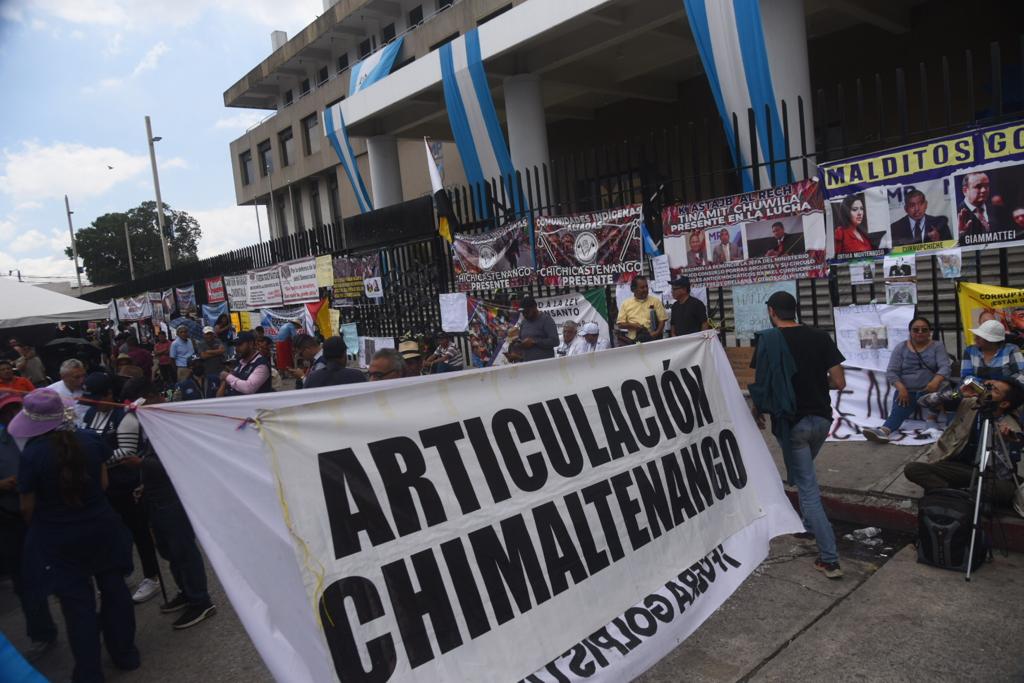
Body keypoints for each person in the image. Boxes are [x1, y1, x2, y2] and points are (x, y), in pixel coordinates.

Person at [11, 388, 140, 682]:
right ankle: (125, 654)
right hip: (102, 526)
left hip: (59, 538)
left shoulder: (32, 454)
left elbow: (27, 507)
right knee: (115, 590)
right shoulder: (91, 441)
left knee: (77, 605)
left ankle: (89, 672)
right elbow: (104, 483)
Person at [750, 290, 846, 579]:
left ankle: (829, 558)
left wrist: (757, 411)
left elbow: (763, 382)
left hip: (793, 425)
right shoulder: (821, 337)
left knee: (807, 486)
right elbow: (839, 381)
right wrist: (816, 382)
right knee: (803, 473)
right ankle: (807, 525)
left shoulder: (768, 340)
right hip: (821, 421)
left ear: (772, 312)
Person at [126, 378, 217, 629]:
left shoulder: (170, 421)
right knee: (168, 549)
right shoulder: (148, 421)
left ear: (151, 397)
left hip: (173, 497)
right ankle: (186, 591)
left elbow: (175, 461)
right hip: (155, 495)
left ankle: (201, 600)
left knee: (183, 549)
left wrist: (140, 465)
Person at [79, 373, 163, 605]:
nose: (92, 402)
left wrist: (96, 461)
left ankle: (151, 576)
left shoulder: (125, 417)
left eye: (96, 397)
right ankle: (120, 573)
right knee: (113, 532)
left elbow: (127, 451)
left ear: (108, 394)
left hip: (125, 485)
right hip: (102, 485)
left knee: (139, 532)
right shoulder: (90, 414)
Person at [0, 392, 57, 661]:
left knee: (66, 571)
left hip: (48, 512)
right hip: (11, 519)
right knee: (25, 580)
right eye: (5, 411)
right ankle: (42, 631)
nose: (10, 415)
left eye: (14, 408)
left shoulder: (36, 434)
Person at [907, 377, 1023, 506]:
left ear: (1004, 404)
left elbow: (1004, 472)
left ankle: (951, 493)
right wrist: (958, 393)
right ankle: (962, 495)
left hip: (988, 475)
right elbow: (924, 401)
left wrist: (1005, 442)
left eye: (994, 390)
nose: (986, 390)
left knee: (1004, 490)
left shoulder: (1010, 426)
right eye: (987, 385)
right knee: (913, 469)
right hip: (959, 467)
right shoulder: (970, 403)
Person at [863, 317, 951, 443]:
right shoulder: (901, 348)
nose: (920, 332)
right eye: (916, 330)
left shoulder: (937, 346)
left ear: (929, 332)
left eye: (924, 330)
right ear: (910, 332)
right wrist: (901, 388)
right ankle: (884, 431)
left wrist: (935, 381)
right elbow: (892, 371)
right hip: (907, 391)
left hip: (931, 389)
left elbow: (945, 367)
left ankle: (932, 421)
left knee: (944, 393)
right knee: (899, 409)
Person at [961, 319, 1024, 383]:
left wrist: (1003, 384)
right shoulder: (970, 350)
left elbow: (1021, 375)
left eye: (979, 337)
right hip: (977, 390)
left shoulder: (1012, 349)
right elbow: (965, 377)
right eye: (975, 336)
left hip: (1006, 391)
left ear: (992, 341)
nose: (975, 339)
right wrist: (985, 382)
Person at [957, 172, 1011, 243]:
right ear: (965, 190)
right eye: (978, 187)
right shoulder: (956, 213)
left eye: (987, 186)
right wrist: (960, 234)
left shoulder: (999, 210)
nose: (984, 190)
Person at [615, 277, 667, 344]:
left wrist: (655, 334)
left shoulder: (655, 301)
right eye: (642, 287)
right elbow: (620, 324)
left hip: (653, 339)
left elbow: (662, 320)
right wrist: (634, 326)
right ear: (634, 289)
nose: (645, 289)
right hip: (633, 340)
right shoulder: (626, 304)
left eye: (646, 287)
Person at [517, 296, 560, 361]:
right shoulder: (524, 322)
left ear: (534, 307)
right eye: (523, 312)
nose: (525, 314)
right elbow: (521, 340)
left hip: (544, 364)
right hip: (527, 364)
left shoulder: (546, 320)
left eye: (527, 312)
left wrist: (535, 342)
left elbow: (555, 341)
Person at [47, 359, 88, 423]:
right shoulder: (50, 393)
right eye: (77, 377)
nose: (82, 380)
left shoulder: (90, 388)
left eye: (84, 375)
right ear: (63, 377)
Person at [196, 326, 227, 396]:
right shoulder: (200, 343)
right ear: (203, 334)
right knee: (211, 390)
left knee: (221, 388)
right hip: (208, 371)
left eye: (210, 333)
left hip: (220, 369)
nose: (209, 335)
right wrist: (217, 352)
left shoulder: (218, 341)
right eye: (207, 334)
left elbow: (223, 350)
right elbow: (203, 356)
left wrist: (208, 351)